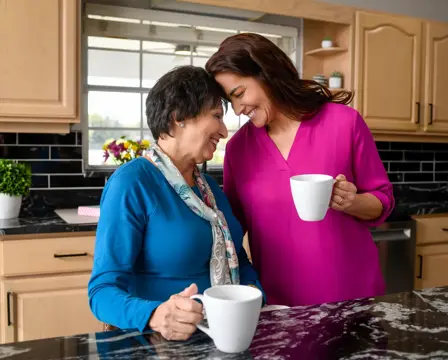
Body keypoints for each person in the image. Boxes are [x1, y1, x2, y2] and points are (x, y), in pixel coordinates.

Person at [205, 33, 395, 307]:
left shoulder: (345, 123)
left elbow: (382, 202)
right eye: (229, 101)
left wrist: (351, 202)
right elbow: (232, 231)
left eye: (239, 93)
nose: (237, 109)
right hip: (280, 304)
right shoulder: (238, 149)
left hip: (353, 297)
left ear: (266, 74)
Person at [88, 66, 263, 341]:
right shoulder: (132, 183)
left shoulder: (210, 189)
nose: (223, 130)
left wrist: (256, 296)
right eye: (216, 116)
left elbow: (238, 260)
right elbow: (102, 292)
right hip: (159, 344)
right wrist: (157, 315)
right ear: (179, 117)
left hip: (224, 337)